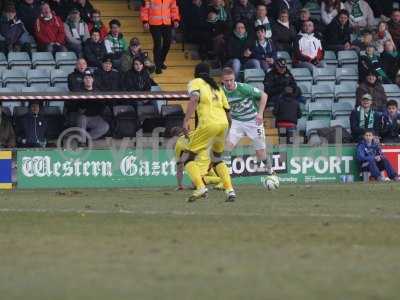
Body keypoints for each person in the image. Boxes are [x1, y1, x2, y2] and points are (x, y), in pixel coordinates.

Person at [182, 62, 235, 202]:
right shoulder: (217, 87)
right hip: (223, 124)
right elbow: (228, 112)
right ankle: (229, 190)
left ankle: (200, 187)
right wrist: (228, 130)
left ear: (196, 73)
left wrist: (186, 120)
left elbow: (194, 98)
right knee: (217, 158)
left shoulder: (195, 82)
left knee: (187, 158)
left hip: (208, 124)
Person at [221, 67, 270, 173]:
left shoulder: (244, 88)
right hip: (237, 122)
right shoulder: (221, 92)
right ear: (222, 80)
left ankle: (271, 171)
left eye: (231, 80)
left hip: (253, 121)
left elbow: (264, 96)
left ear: (234, 79)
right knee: (227, 148)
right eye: (226, 80)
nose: (229, 83)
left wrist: (260, 114)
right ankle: (226, 177)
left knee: (261, 153)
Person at [172, 127, 222, 191]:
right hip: (208, 153)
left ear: (174, 137)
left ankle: (222, 180)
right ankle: (219, 181)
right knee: (206, 168)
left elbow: (179, 165)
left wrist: (179, 185)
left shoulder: (179, 143)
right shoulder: (194, 133)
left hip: (201, 158)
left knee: (196, 183)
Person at [140, 0, 180, 74]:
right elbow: (145, 9)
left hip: (167, 23)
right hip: (154, 24)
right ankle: (157, 65)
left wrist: (175, 20)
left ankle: (161, 61)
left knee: (167, 43)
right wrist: (145, 21)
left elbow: (174, 9)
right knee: (158, 43)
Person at [74, 69, 109, 143]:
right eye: (86, 78)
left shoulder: (98, 91)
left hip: (95, 117)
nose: (88, 80)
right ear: (83, 80)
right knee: (82, 118)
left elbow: (102, 105)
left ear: (93, 80)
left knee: (105, 126)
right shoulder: (79, 91)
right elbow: (79, 108)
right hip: (83, 117)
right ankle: (82, 142)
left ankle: (87, 138)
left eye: (90, 78)